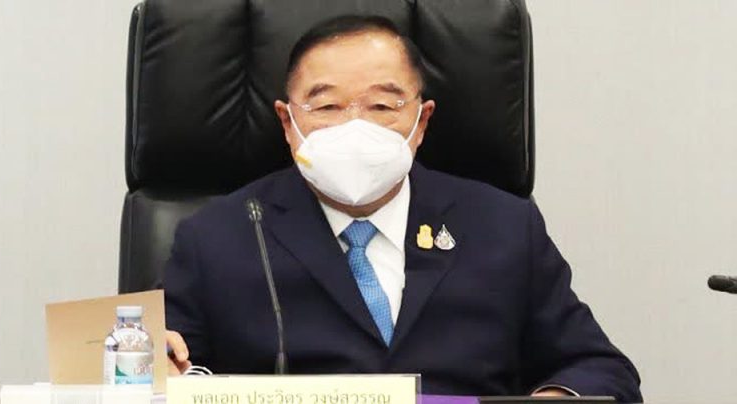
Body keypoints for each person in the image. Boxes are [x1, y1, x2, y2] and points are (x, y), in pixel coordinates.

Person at [163, 15, 642, 402]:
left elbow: (601, 369)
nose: (354, 127)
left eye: (382, 107)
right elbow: (168, 366)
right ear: (288, 123)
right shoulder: (216, 237)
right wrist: (163, 371)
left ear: (421, 120)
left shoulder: (503, 226)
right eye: (327, 107)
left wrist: (556, 397)